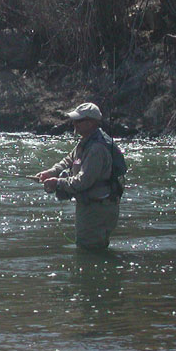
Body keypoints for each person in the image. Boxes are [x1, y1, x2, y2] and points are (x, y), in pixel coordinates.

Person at [34, 102, 120, 249]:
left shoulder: (97, 148)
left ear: (92, 123)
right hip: (92, 207)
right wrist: (51, 172)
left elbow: (83, 181)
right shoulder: (87, 141)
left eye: (79, 121)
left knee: (90, 250)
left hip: (97, 210)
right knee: (89, 249)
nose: (75, 123)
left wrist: (58, 183)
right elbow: (69, 159)